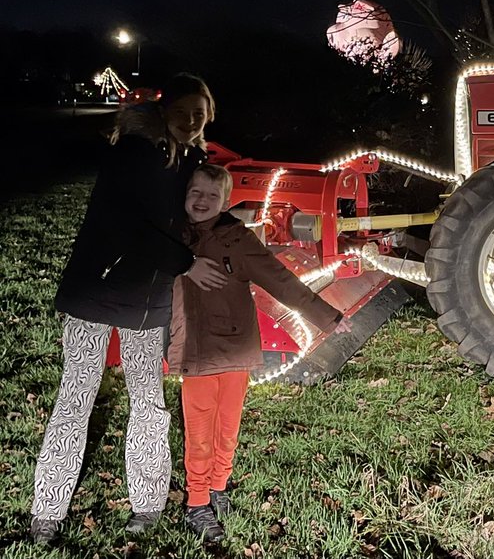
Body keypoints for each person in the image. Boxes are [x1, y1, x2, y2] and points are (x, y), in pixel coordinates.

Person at [30, 74, 228, 545]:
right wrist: (186, 263)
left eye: (199, 114)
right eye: (182, 111)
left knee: (149, 404)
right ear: (163, 110)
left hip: (149, 304)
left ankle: (147, 504)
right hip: (97, 294)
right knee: (75, 399)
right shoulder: (133, 154)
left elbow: (200, 215)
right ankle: (48, 511)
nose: (191, 120)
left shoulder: (194, 162)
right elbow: (125, 226)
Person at [170, 164, 351, 544]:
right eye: (195, 192)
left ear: (226, 203)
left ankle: (218, 486)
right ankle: (197, 501)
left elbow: (280, 280)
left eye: (212, 196)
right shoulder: (170, 236)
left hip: (235, 347)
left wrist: (327, 317)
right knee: (199, 432)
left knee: (227, 428)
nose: (202, 201)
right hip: (196, 353)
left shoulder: (237, 240)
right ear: (183, 194)